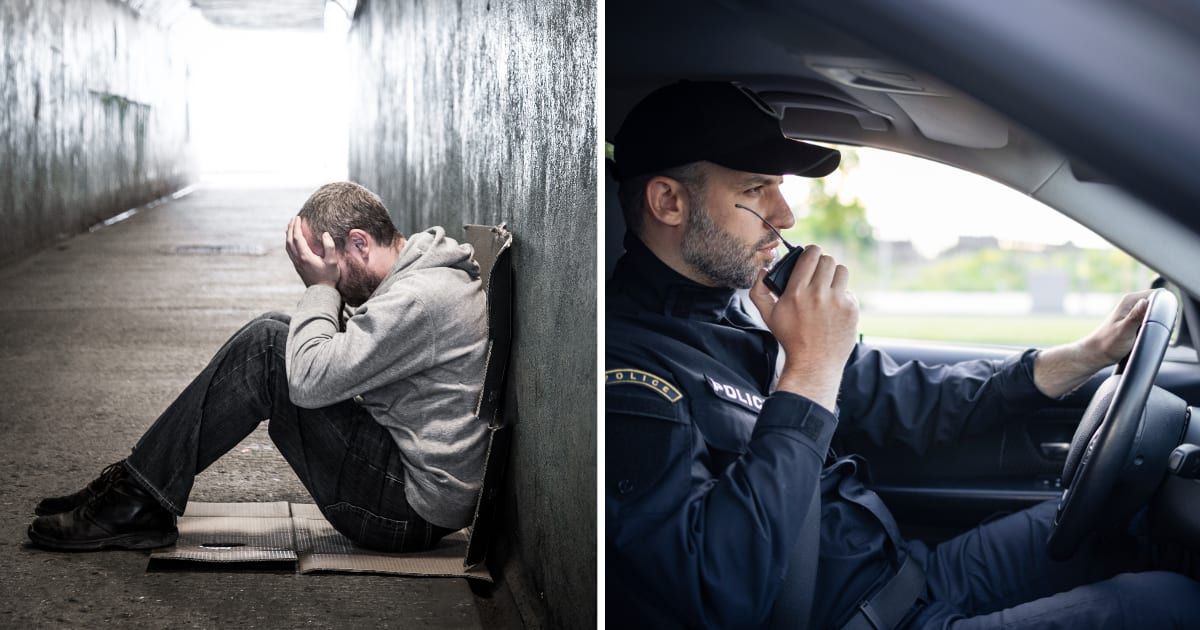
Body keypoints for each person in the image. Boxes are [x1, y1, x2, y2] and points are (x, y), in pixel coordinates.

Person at [605, 81, 1200, 628]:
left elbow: (909, 397)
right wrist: (810, 371)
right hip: (861, 619)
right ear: (668, 203)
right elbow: (713, 592)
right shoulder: (630, 379)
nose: (785, 217)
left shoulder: (742, 316)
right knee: (1167, 607)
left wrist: (1087, 353)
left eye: (780, 188)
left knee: (1125, 519)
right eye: (755, 190)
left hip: (912, 574)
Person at [28, 181, 489, 554]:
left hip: (404, 510)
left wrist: (321, 289)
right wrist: (327, 285)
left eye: (325, 264)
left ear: (359, 243)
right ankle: (136, 485)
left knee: (271, 350)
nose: (326, 280)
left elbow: (307, 383)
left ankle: (135, 499)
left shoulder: (416, 301)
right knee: (276, 330)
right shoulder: (417, 278)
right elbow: (337, 356)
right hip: (403, 480)